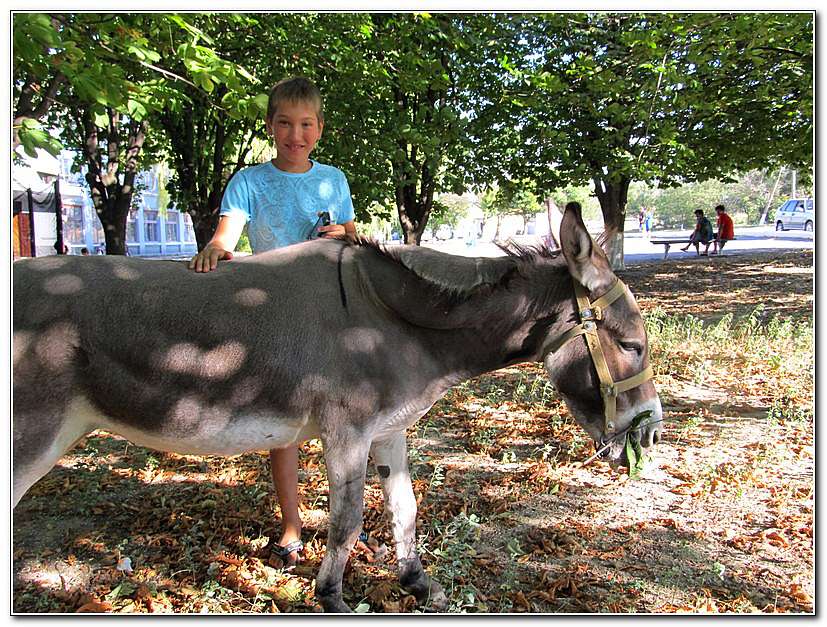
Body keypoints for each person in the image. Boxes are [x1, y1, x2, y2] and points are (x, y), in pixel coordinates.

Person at [189, 76, 357, 568]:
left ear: (319, 128)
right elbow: (227, 234)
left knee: (344, 422)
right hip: (277, 313)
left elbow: (352, 238)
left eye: (305, 125)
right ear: (270, 126)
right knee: (286, 427)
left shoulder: (333, 180)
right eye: (284, 123)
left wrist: (344, 233)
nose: (294, 135)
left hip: (329, 311)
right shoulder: (249, 182)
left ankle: (347, 526)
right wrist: (217, 248)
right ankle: (291, 527)